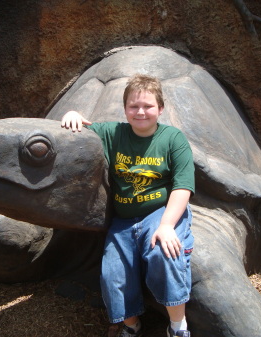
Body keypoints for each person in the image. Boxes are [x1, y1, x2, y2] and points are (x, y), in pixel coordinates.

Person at [61, 74, 195, 337]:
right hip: (123, 221)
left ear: (160, 109)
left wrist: (167, 225)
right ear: (125, 109)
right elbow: (81, 132)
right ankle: (131, 326)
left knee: (164, 253)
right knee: (113, 273)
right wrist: (71, 113)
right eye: (134, 106)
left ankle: (178, 327)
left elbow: (183, 186)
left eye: (148, 106)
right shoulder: (114, 133)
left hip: (160, 212)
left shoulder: (173, 139)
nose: (141, 112)